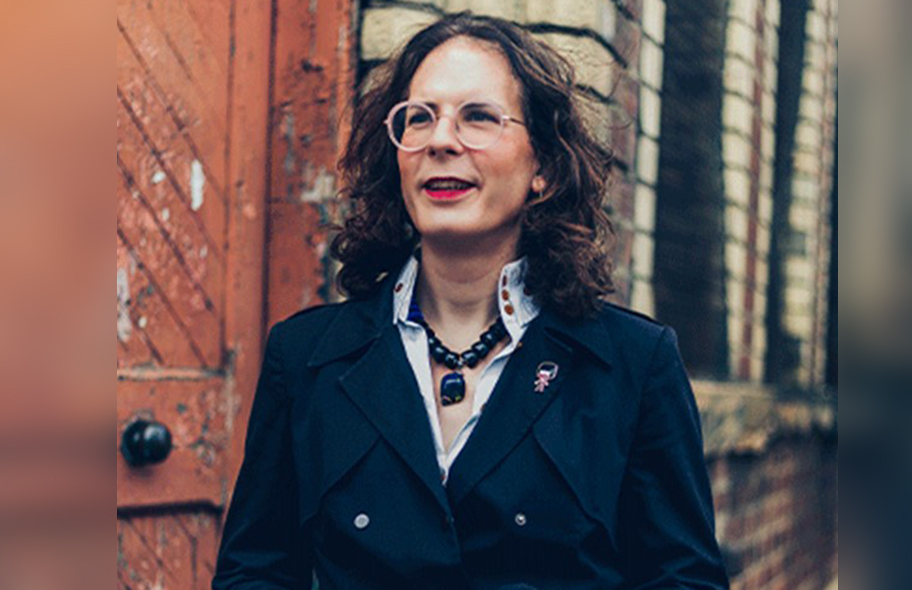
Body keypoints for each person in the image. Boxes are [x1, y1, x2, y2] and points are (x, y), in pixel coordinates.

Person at [213, 12, 728, 590]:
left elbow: (685, 580)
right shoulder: (305, 357)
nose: (440, 140)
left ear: (543, 167)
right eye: (419, 118)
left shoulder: (635, 364)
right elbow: (252, 572)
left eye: (478, 117)